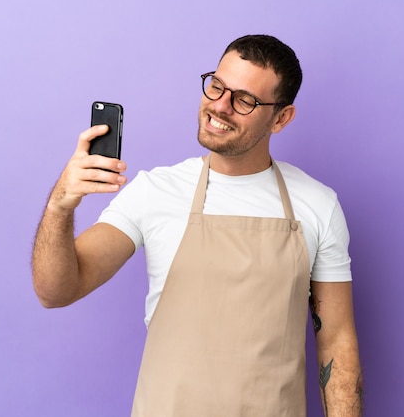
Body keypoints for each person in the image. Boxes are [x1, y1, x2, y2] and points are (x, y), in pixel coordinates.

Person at [32, 34, 363, 417]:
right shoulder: (155, 191)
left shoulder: (318, 204)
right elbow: (55, 291)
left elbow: (337, 341)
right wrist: (60, 204)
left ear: (281, 118)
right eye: (216, 86)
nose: (219, 106)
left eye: (244, 100)